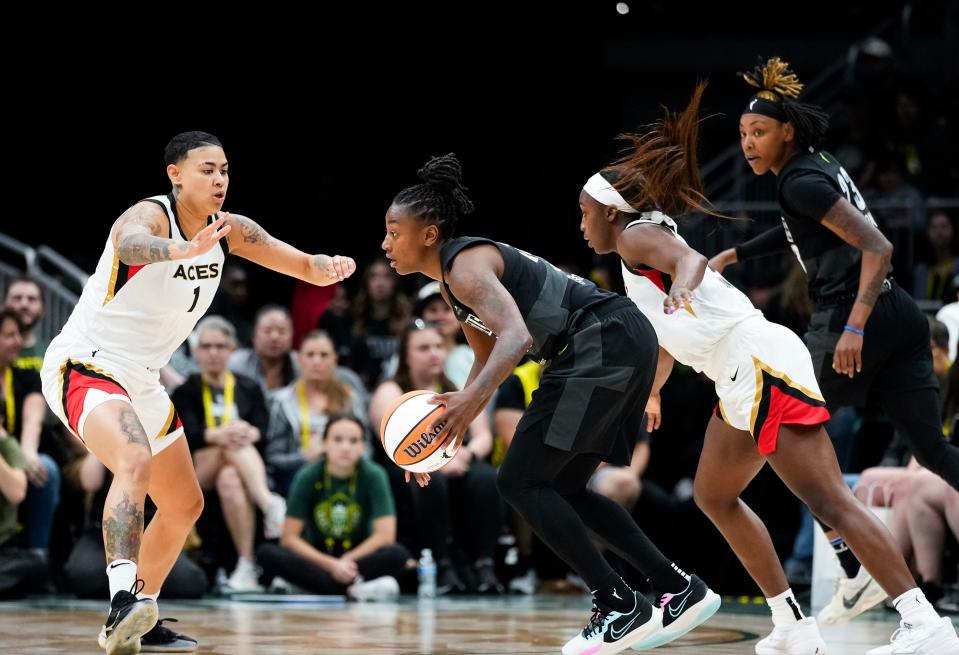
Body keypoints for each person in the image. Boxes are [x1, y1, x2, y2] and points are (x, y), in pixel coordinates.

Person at [580, 79, 958, 655]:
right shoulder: (634, 255)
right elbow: (662, 337)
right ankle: (792, 624)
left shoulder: (638, 235)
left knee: (829, 499)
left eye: (584, 214)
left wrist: (684, 284)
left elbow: (689, 261)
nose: (581, 226)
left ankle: (923, 621)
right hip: (735, 375)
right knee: (713, 494)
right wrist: (654, 390)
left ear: (610, 212)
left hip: (759, 361)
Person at [381, 153, 718, 655]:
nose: (385, 243)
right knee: (562, 486)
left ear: (428, 235)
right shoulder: (457, 284)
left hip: (597, 341)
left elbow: (515, 338)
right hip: (618, 338)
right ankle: (676, 586)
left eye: (393, 231)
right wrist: (436, 441)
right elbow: (485, 357)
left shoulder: (465, 269)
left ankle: (618, 601)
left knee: (518, 480)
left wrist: (468, 404)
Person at [38, 131, 355, 655]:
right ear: (175, 174)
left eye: (225, 170)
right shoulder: (149, 218)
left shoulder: (229, 230)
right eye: (207, 169)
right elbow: (129, 243)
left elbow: (298, 263)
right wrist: (179, 249)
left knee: (185, 504)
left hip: (142, 377)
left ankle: (142, 615)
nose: (220, 180)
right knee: (133, 459)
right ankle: (120, 601)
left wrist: (324, 267)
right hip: (86, 363)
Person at [706, 58, 959, 651]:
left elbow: (878, 244)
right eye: (742, 136)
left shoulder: (799, 180)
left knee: (778, 422)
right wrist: (734, 256)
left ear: (786, 132)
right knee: (933, 450)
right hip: (902, 318)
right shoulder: (813, 169)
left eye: (758, 133)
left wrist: (853, 329)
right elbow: (801, 230)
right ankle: (863, 576)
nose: (747, 144)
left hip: (855, 315)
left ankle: (853, 569)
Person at [368, 319, 502, 594]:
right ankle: (440, 564)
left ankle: (483, 565)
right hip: (410, 468)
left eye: (439, 347)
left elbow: (484, 436)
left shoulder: (457, 388)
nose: (434, 353)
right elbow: (392, 445)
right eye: (424, 348)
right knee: (431, 482)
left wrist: (466, 453)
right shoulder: (391, 390)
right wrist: (440, 461)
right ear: (406, 356)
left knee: (487, 478)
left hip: (456, 460)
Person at [169, 315, 284, 592]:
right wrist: (220, 435)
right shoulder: (187, 390)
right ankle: (269, 504)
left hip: (237, 468)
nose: (213, 353)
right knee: (231, 442)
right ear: (196, 352)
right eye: (206, 347)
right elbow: (185, 437)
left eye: (220, 346)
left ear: (232, 350)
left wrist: (247, 431)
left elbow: (263, 430)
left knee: (230, 477)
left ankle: (245, 564)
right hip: (198, 469)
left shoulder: (248, 387)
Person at [257, 413, 409, 600]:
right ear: (324, 444)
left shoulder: (374, 474)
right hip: (318, 558)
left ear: (363, 446)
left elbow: (385, 535)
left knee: (398, 555)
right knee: (267, 553)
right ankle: (351, 589)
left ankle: (316, 587)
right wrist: (331, 565)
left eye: (354, 441)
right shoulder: (308, 475)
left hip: (358, 557)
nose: (345, 447)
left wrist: (346, 561)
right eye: (337, 440)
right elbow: (289, 538)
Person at [265, 330, 368, 496]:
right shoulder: (282, 402)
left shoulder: (350, 398)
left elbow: (366, 446)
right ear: (299, 360)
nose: (316, 361)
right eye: (310, 355)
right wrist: (304, 457)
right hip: (299, 473)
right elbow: (273, 457)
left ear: (334, 360)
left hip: (348, 471)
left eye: (324, 355)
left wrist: (345, 456)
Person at [0, 307, 59, 563]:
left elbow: (33, 418)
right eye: (9, 335)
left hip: (15, 450)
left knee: (45, 468)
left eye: (19, 335)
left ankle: (38, 553)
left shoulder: (26, 376)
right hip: (5, 449)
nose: (18, 342)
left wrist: (26, 455)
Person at [4, 275, 48, 372]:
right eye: (17, 298)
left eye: (31, 299)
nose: (24, 304)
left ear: (42, 308)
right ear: (4, 304)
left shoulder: (52, 352)